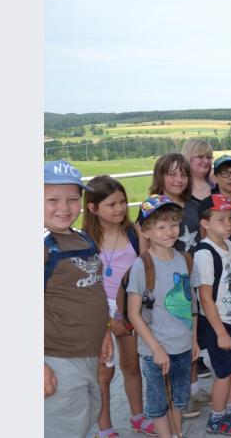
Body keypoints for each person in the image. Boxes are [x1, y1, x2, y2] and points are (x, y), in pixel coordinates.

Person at [82, 176, 155, 438]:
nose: (120, 208)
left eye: (123, 202)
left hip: (129, 308)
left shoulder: (133, 233)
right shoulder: (85, 241)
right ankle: (105, 429)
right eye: (112, 204)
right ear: (93, 208)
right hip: (98, 312)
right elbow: (86, 286)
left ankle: (138, 417)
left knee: (131, 366)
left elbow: (146, 267)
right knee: (104, 372)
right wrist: (107, 320)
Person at [44, 160, 113, 438]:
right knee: (64, 427)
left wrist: (104, 332)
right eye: (52, 199)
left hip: (88, 354)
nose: (64, 207)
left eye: (73, 199)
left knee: (85, 418)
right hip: (56, 358)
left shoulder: (83, 239)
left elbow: (93, 289)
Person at [126, 194, 197, 438]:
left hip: (183, 346)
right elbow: (133, 313)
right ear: (146, 231)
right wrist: (156, 349)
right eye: (161, 227)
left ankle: (177, 434)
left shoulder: (185, 260)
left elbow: (191, 304)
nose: (170, 231)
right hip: (154, 350)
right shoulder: (142, 265)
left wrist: (194, 340)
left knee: (178, 401)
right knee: (158, 405)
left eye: (174, 224)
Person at [147, 153, 213, 413]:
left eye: (183, 174)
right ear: (160, 176)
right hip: (167, 284)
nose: (179, 179)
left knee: (191, 338)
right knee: (171, 339)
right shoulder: (152, 206)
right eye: (172, 174)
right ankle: (172, 398)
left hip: (193, 278)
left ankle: (190, 392)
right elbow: (144, 249)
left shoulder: (193, 205)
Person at [191, 194, 231, 435]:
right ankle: (216, 418)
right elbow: (205, 299)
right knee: (223, 372)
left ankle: (229, 410)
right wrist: (220, 333)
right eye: (221, 219)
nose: (228, 224)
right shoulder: (205, 254)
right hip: (217, 323)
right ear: (205, 223)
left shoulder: (228, 245)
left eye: (230, 218)